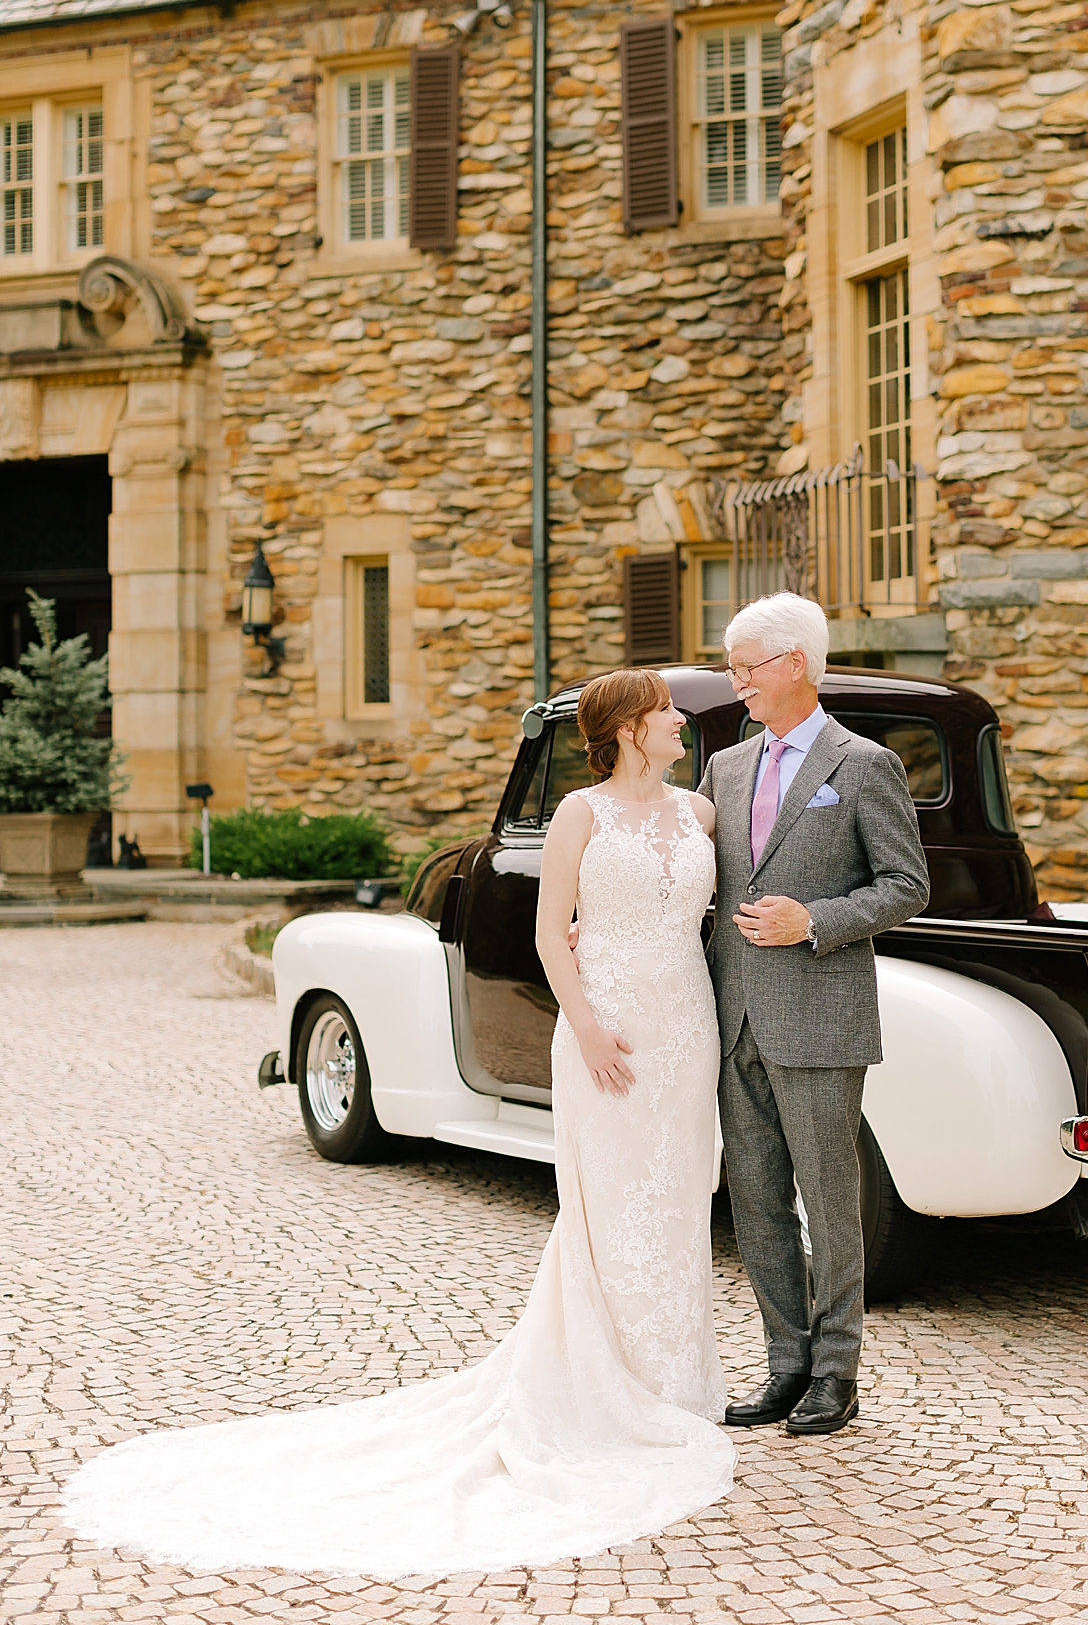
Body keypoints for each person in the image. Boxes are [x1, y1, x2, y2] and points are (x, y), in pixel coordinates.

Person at [63, 669, 733, 1579]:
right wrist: (584, 1024)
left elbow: (702, 915)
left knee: (678, 1198)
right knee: (608, 1204)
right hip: (605, 1026)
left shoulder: (699, 814)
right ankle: (605, 1388)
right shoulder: (578, 813)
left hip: (684, 1024)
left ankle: (675, 1387)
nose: (675, 722)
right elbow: (549, 933)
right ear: (623, 729)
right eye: (661, 711)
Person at [699, 592, 929, 1437]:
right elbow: (698, 877)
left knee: (829, 1202)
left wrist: (815, 923)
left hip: (821, 1015)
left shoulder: (864, 764)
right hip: (734, 1019)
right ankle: (784, 1365)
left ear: (793, 663)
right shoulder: (723, 765)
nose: (736, 686)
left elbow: (906, 886)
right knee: (755, 1200)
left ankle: (837, 1373)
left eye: (743, 668)